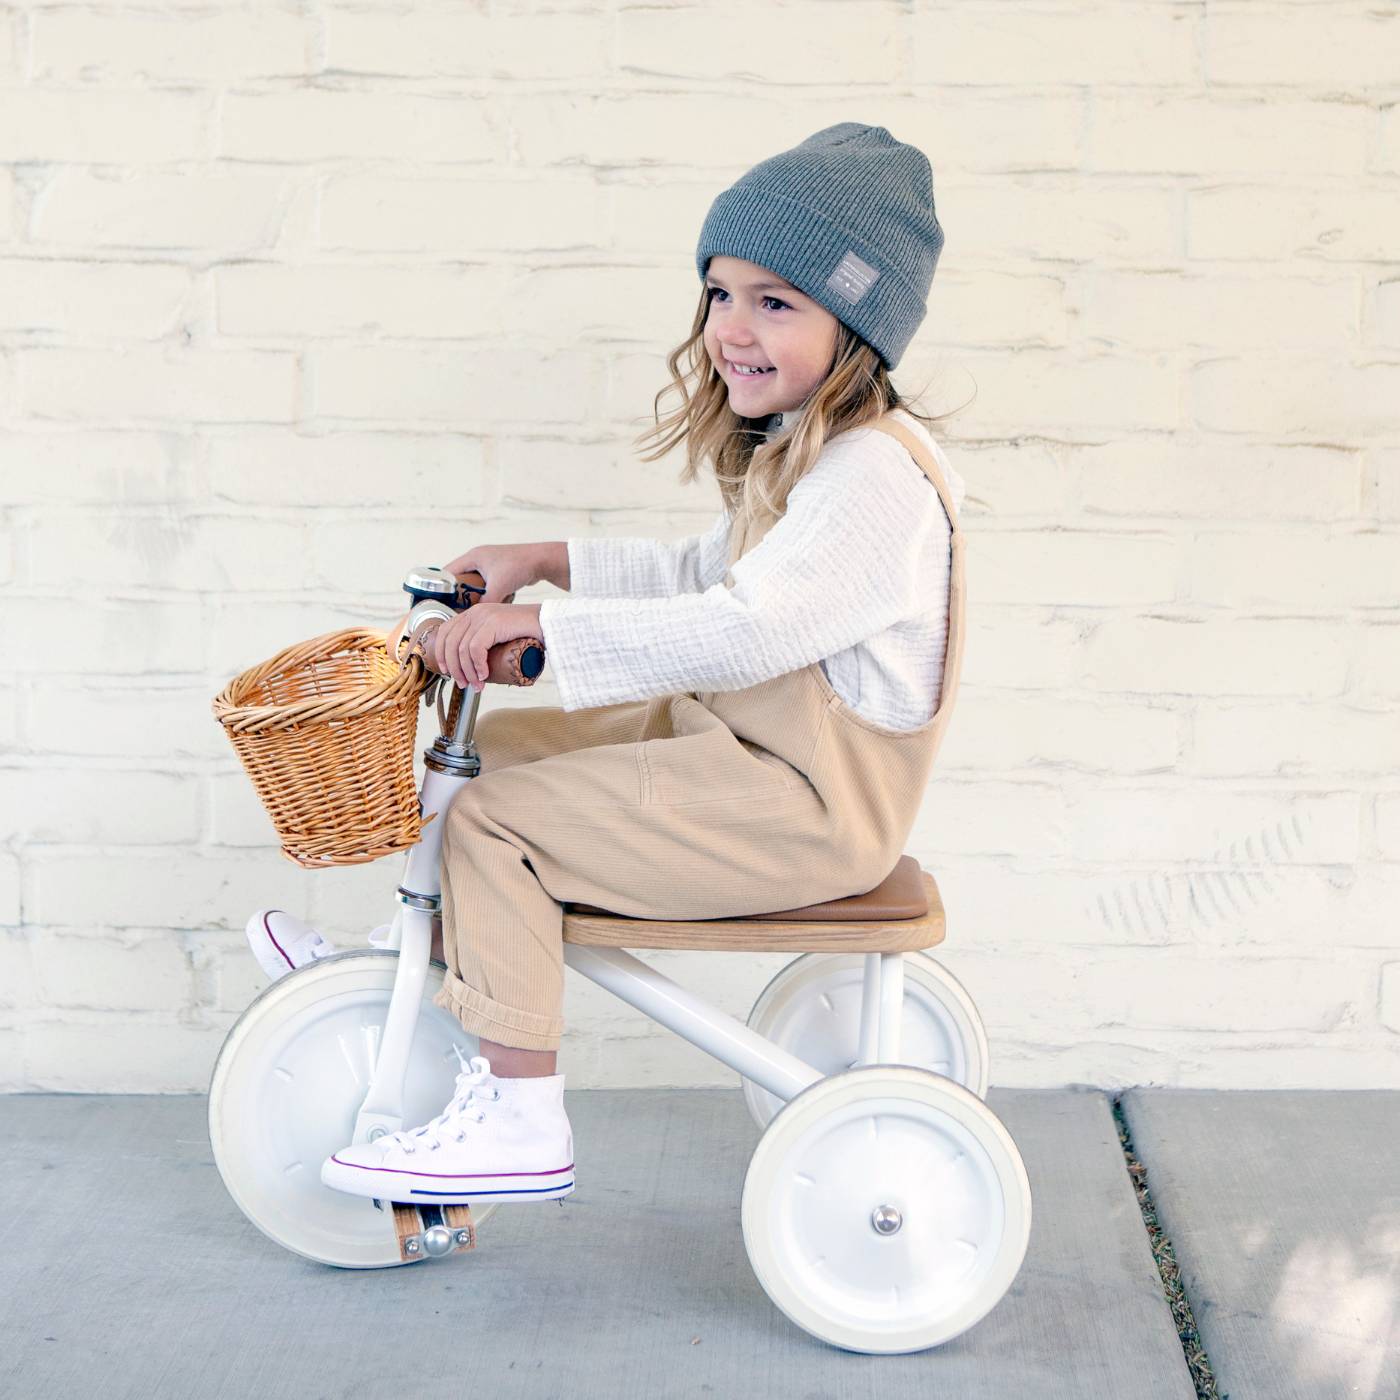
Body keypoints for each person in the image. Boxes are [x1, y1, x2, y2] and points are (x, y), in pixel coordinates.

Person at [309, 122, 967, 1206]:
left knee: (488, 819)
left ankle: (520, 1117)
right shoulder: (814, 448)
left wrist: (543, 634)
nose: (730, 328)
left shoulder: (873, 483)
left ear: (856, 319)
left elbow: (746, 627)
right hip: (741, 757)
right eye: (718, 293)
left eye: (775, 300)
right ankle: (414, 959)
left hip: (804, 807)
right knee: (496, 753)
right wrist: (544, 564)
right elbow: (700, 570)